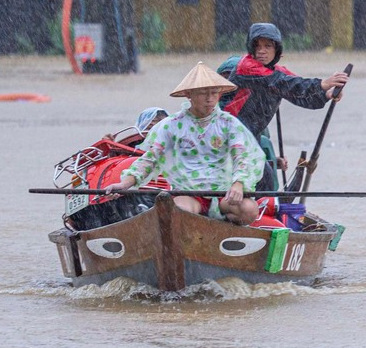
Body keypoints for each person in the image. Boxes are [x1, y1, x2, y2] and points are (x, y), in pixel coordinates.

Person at [114, 63, 268, 226]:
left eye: (214, 93)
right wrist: (125, 184)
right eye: (203, 93)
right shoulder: (171, 125)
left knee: (249, 209)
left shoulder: (228, 124)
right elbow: (150, 159)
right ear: (189, 94)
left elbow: (242, 157)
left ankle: (224, 228)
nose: (210, 99)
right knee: (179, 210)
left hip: (223, 195)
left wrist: (239, 183)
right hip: (189, 194)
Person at [216, 23, 350, 192]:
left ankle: (262, 212)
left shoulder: (279, 73)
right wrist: (322, 84)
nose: (261, 51)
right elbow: (286, 84)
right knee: (262, 176)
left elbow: (301, 95)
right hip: (228, 134)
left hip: (250, 137)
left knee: (266, 179)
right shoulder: (246, 67)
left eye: (267, 46)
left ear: (276, 50)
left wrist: (327, 94)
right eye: (257, 46)